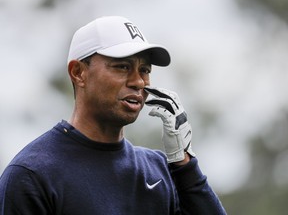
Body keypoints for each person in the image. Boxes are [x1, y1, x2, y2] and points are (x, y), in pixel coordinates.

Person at [0, 16, 226, 215]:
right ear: (78, 73)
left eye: (145, 70)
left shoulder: (160, 170)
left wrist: (184, 164)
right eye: (122, 67)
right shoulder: (32, 174)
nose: (138, 81)